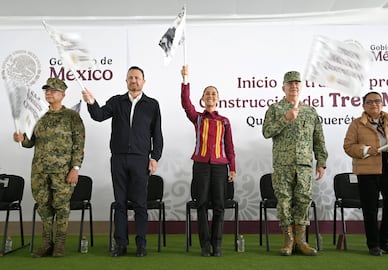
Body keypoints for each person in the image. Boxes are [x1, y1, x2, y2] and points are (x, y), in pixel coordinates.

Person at [82, 66, 163, 257]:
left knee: (140, 204)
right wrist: (91, 102)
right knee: (120, 203)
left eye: (137, 77)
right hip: (118, 158)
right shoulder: (117, 102)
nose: (133, 80)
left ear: (143, 81)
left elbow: (157, 134)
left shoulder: (152, 104)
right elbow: (99, 115)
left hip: (141, 159)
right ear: (126, 81)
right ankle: (121, 244)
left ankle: (141, 244)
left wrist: (155, 157)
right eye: (130, 78)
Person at [13, 78, 85, 257]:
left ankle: (59, 243)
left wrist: (75, 168)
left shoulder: (72, 117)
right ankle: (46, 243)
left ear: (63, 94)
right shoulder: (39, 117)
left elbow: (79, 144)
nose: (48, 93)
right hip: (40, 171)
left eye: (53, 90)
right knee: (44, 206)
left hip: (62, 172)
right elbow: (32, 142)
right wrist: (22, 140)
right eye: (46, 90)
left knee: (61, 206)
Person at [262, 71, 328, 256]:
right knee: (284, 201)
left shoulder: (310, 111)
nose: (294, 86)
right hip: (283, 164)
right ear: (283, 87)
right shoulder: (275, 109)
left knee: (303, 200)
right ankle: (288, 241)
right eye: (290, 84)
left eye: (297, 83)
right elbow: (266, 132)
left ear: (301, 87)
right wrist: (285, 119)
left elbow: (319, 139)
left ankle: (301, 240)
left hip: (305, 165)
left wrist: (321, 162)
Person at [343, 91, 388, 256]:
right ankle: (373, 244)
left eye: (378, 101)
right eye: (370, 102)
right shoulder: (357, 124)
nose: (374, 104)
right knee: (370, 209)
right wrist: (365, 149)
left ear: (382, 104)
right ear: (364, 105)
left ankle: (384, 240)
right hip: (367, 170)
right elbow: (348, 146)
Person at [180, 65, 236, 257]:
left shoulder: (225, 121)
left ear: (218, 99)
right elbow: (186, 103)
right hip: (201, 166)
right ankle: (205, 245)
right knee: (201, 204)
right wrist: (185, 80)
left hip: (221, 167)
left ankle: (217, 244)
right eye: (207, 94)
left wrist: (233, 168)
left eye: (213, 93)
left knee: (219, 206)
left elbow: (229, 147)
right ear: (202, 99)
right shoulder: (197, 118)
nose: (210, 96)